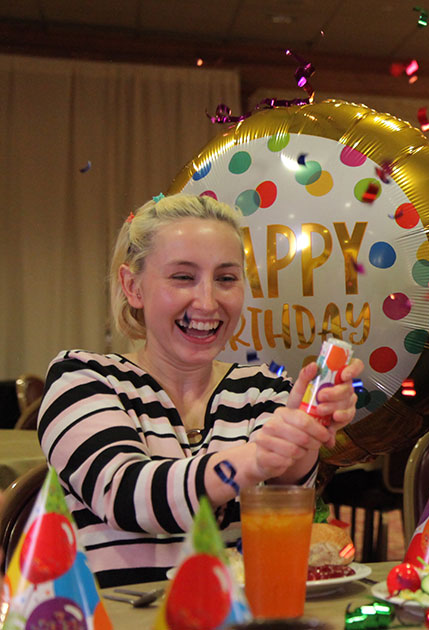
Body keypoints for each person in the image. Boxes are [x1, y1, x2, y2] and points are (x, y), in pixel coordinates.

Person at [37, 194, 364, 587]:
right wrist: (255, 458)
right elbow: (126, 496)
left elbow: (281, 522)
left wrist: (302, 437)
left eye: (226, 279)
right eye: (182, 277)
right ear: (133, 287)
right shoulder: (82, 379)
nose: (208, 302)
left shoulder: (261, 390)